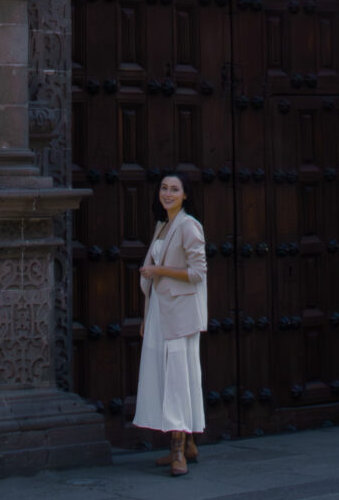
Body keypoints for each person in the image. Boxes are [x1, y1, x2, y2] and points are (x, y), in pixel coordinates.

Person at [134, 171, 207, 476]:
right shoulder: (162, 226)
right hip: (158, 313)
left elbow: (197, 272)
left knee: (178, 378)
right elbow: (153, 275)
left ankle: (177, 453)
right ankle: (188, 443)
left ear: (185, 195)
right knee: (165, 376)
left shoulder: (189, 226)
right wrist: (145, 315)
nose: (167, 193)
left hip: (180, 314)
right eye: (164, 188)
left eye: (174, 189)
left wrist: (159, 269)